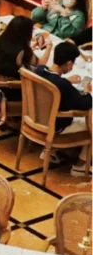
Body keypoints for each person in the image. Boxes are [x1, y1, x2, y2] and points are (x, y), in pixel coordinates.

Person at [34, 41, 93, 176]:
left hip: (37, 119)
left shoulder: (40, 71)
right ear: (69, 63)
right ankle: (80, 166)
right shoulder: (62, 85)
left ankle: (49, 151)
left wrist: (67, 81)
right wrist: (86, 91)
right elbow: (85, 104)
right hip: (56, 127)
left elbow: (57, 80)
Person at [0, 15, 49, 125]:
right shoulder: (22, 50)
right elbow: (40, 64)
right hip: (9, 90)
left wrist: (31, 48)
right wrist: (49, 47)